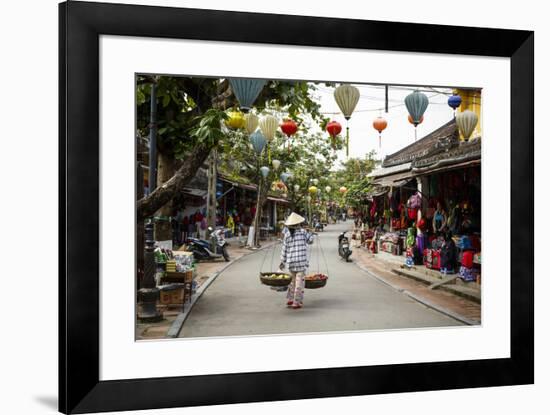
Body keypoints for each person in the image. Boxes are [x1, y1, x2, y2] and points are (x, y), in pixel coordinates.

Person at [279, 212, 314, 309]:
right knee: (299, 283)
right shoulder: (303, 232)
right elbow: (311, 241)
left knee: (292, 282)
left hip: (291, 263)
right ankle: (296, 302)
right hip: (301, 263)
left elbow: (284, 249)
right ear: (298, 224)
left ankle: (290, 299)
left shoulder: (287, 234)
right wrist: (311, 232)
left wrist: (282, 261)